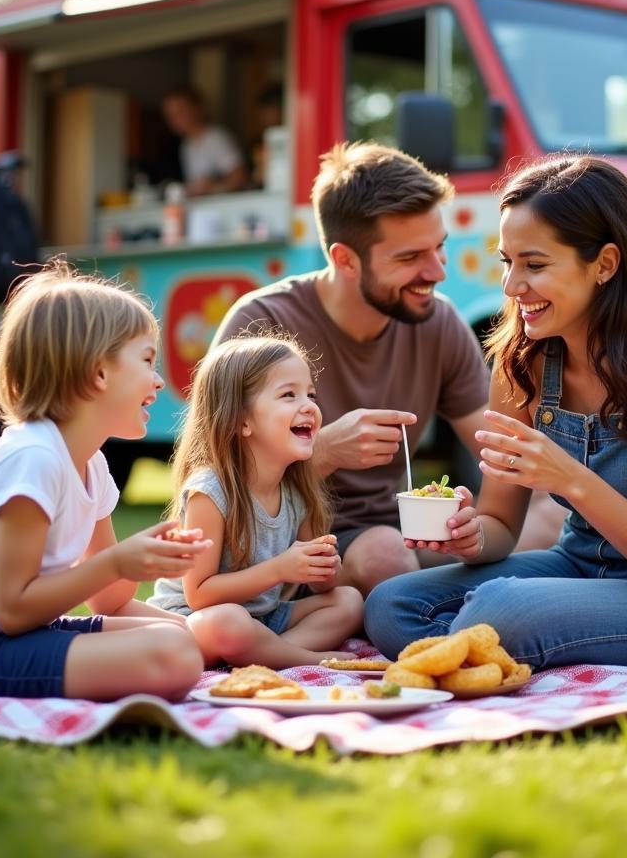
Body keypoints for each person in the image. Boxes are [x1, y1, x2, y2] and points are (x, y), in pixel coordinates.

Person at [365, 154, 627, 672]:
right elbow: (500, 525)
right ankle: (503, 644)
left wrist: (571, 480)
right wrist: (470, 534)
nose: (511, 286)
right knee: (392, 606)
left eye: (534, 265)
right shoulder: (521, 365)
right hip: (581, 567)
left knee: (501, 611)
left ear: (605, 264)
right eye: (506, 262)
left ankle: (501, 641)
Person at [212, 141, 565, 598]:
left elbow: (502, 450)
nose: (437, 271)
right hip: (284, 550)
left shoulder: (439, 323)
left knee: (554, 512)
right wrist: (323, 451)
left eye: (439, 248)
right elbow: (208, 483)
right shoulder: (260, 325)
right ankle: (447, 618)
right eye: (409, 258)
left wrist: (475, 519)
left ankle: (460, 607)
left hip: (400, 535)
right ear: (345, 260)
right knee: (384, 552)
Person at [0, 261, 210, 702]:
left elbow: (109, 600)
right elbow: (13, 610)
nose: (158, 380)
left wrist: (150, 557)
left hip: (11, 637)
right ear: (99, 373)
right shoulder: (34, 458)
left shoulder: (91, 463)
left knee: (179, 630)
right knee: (175, 651)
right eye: (147, 359)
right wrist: (118, 563)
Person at [149, 333, 363, 668]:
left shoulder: (296, 490)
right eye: (288, 395)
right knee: (230, 623)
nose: (309, 405)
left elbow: (322, 587)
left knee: (348, 601)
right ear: (241, 421)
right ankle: (303, 659)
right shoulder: (211, 490)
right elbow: (200, 593)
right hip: (197, 621)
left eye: (310, 393)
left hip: (265, 618)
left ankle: (265, 655)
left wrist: (322, 571)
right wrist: (280, 569)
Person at [161, 86, 247, 196]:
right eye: (170, 115)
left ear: (197, 108)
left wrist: (214, 187)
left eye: (180, 111)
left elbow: (240, 179)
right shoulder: (186, 145)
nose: (175, 119)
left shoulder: (216, 138)